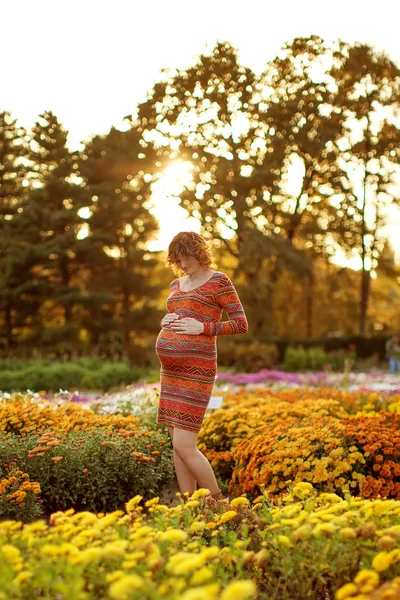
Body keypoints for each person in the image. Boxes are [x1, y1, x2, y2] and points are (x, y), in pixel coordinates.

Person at [155, 231, 248, 501]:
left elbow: (241, 324)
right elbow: (177, 312)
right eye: (177, 260)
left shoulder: (219, 282)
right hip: (170, 373)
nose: (182, 265)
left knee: (185, 444)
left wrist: (204, 327)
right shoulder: (176, 284)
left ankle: (220, 504)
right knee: (177, 445)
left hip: (197, 372)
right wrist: (167, 321)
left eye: (186, 258)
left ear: (199, 253)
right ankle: (191, 507)